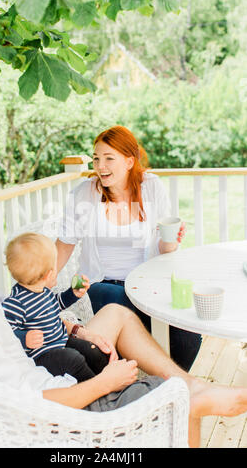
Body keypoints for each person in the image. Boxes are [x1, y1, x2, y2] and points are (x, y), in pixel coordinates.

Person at [0, 176, 247, 449]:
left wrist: (78, 330)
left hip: (48, 369)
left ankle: (191, 383)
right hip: (62, 411)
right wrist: (106, 383)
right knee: (182, 401)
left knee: (117, 313)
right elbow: (24, 406)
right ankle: (190, 391)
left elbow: (31, 318)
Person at [56, 125, 201, 372]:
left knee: (186, 332)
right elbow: (65, 243)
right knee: (127, 305)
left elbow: (164, 247)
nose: (100, 166)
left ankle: (167, 386)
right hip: (102, 284)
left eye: (109, 159)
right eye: (96, 159)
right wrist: (39, 284)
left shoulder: (151, 187)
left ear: (129, 161)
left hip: (146, 282)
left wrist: (171, 240)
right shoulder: (85, 193)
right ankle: (161, 380)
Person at [2, 232, 110, 382]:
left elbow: (57, 304)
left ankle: (108, 378)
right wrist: (24, 337)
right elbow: (4, 330)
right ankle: (98, 389)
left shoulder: (43, 291)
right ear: (48, 274)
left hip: (61, 341)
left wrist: (73, 294)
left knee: (91, 351)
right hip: (43, 355)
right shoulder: (16, 302)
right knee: (74, 360)